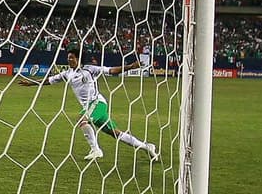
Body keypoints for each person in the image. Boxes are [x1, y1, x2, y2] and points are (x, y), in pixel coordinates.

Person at [22, 49, 159, 162]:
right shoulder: (67, 73)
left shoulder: (90, 69)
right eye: (68, 58)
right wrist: (31, 83)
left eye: (71, 58)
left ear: (78, 58)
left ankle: (96, 150)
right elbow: (49, 80)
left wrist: (129, 67)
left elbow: (111, 70)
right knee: (116, 133)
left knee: (82, 120)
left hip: (97, 103)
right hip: (91, 107)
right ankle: (147, 147)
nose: (69, 60)